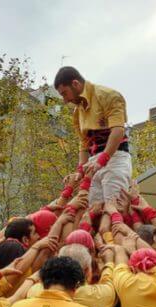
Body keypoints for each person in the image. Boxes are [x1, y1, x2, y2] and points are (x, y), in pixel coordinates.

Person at [54, 66, 131, 209]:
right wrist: (79, 171)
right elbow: (84, 144)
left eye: (65, 93)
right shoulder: (77, 112)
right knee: (93, 210)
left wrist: (103, 160)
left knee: (114, 206)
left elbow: (118, 130)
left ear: (76, 84)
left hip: (116, 157)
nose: (65, 100)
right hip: (93, 163)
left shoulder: (108, 95)